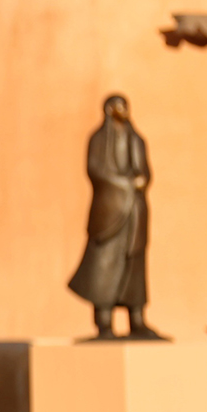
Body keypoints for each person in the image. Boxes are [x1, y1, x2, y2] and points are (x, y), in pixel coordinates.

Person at [68, 94, 163, 340]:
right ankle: (104, 322)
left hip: (135, 213)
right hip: (109, 213)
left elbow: (145, 171)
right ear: (110, 109)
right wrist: (123, 184)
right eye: (120, 106)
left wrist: (140, 181)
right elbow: (95, 170)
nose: (125, 110)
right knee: (103, 265)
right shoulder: (99, 139)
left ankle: (137, 319)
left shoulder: (137, 139)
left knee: (134, 264)